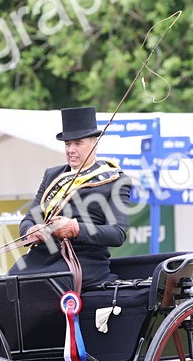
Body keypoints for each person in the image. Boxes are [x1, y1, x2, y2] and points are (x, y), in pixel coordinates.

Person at [10, 106, 134, 290]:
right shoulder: (52, 176)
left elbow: (117, 234)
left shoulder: (115, 180)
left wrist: (76, 229)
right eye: (67, 144)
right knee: (7, 284)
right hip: (42, 256)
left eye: (78, 143)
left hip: (85, 261)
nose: (71, 150)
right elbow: (29, 219)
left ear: (94, 143)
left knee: (41, 287)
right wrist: (31, 230)